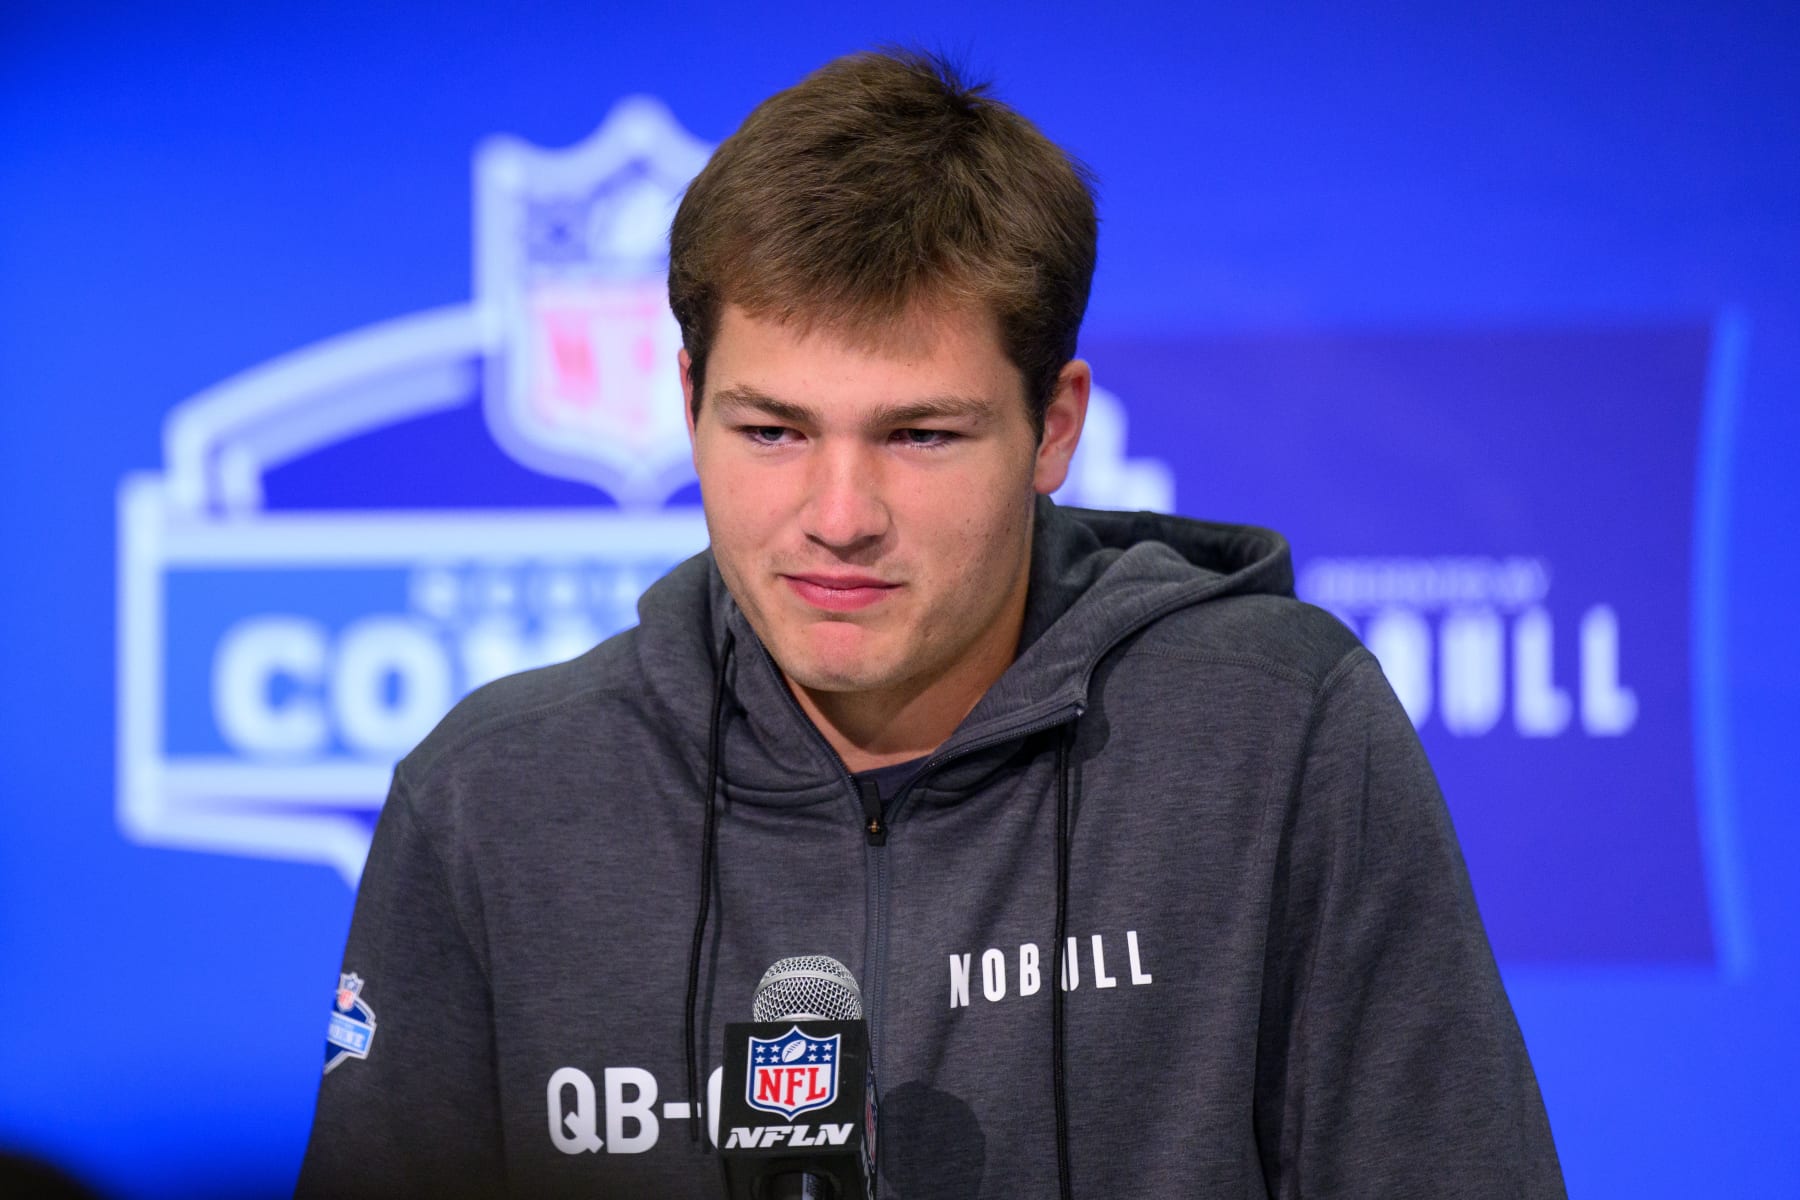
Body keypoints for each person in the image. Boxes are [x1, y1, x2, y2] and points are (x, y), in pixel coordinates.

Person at [298, 49, 1565, 1199]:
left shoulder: (1276, 734)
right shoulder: (492, 796)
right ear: (688, 403)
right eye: (772, 431)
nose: (839, 515)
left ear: (1053, 427)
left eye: (920, 435)